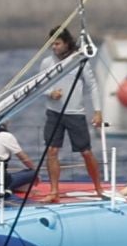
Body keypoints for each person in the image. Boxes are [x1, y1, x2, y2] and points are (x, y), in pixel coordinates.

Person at [37, 27, 106, 200]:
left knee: (86, 152)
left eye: (57, 43)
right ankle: (54, 191)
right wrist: (50, 93)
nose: (54, 47)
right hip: (54, 112)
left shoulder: (79, 60)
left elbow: (92, 86)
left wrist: (97, 111)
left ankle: (98, 188)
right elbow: (39, 85)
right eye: (52, 44)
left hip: (75, 113)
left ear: (66, 43)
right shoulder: (47, 62)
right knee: (52, 151)